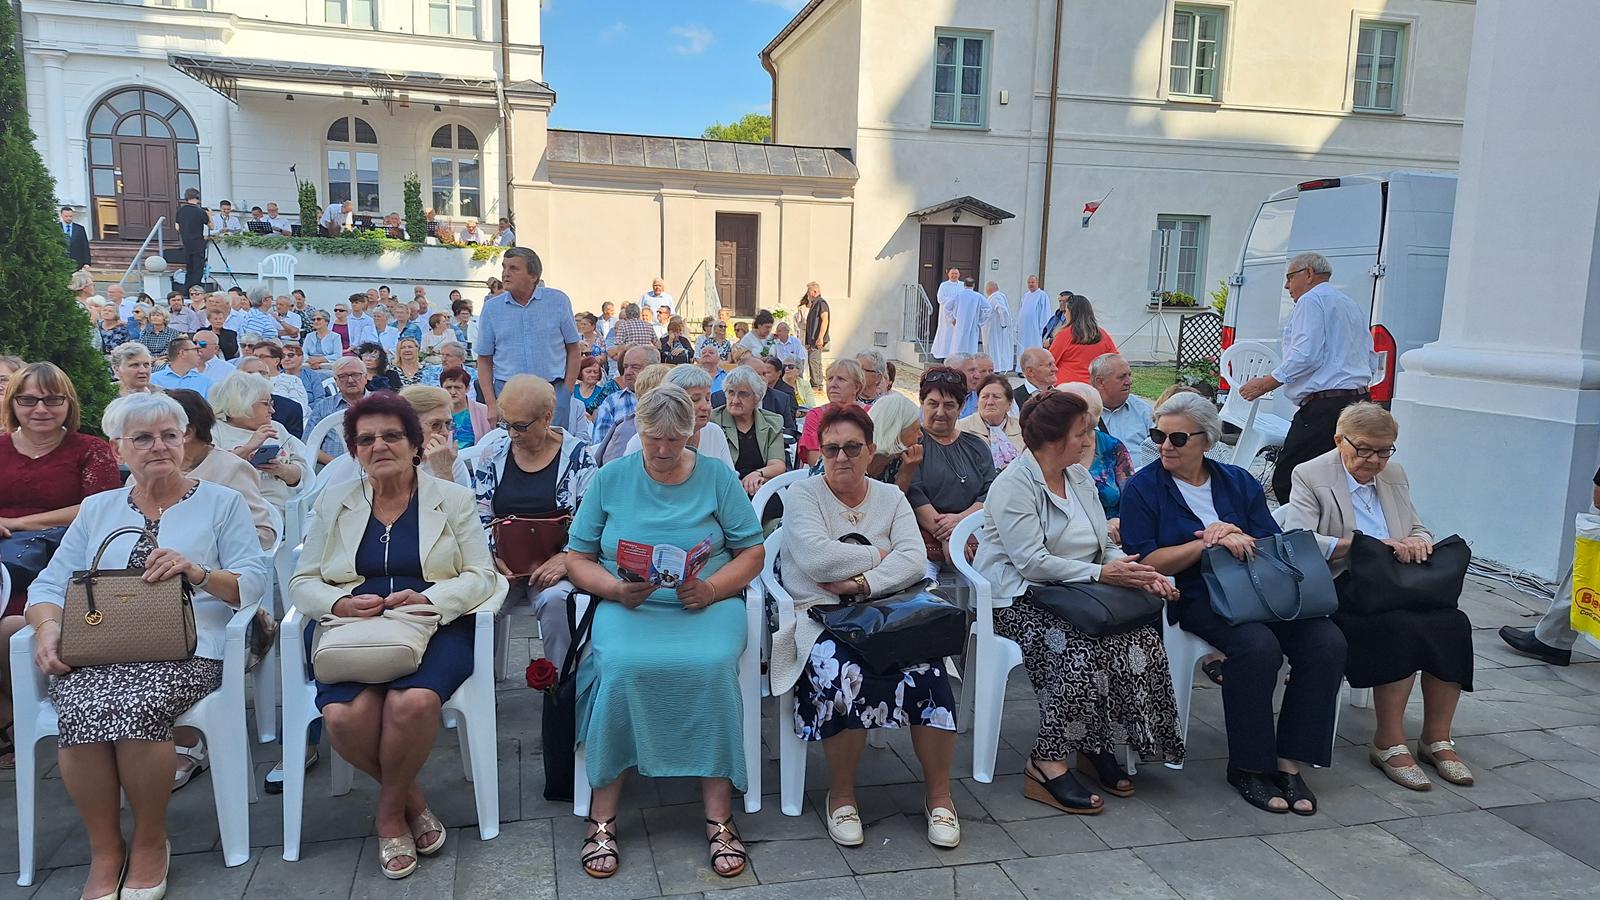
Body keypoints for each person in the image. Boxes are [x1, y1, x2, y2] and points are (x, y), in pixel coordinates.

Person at [26, 392, 269, 900]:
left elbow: (253, 581)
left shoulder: (220, 502)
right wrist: (48, 628)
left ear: (184, 440)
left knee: (136, 704)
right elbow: (48, 585)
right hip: (102, 646)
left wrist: (198, 572)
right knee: (81, 704)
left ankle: (151, 841)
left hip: (190, 648)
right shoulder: (99, 508)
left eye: (169, 435)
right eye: (143, 438)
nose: (159, 446)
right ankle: (105, 849)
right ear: (118, 449)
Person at [290, 392, 507, 880]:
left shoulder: (452, 499)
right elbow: (302, 582)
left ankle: (389, 816)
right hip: (352, 627)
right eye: (366, 439)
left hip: (434, 623)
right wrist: (340, 603)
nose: (379, 446)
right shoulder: (334, 501)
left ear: (414, 445)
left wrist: (430, 599)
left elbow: (482, 575)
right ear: (354, 451)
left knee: (412, 703)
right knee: (344, 716)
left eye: (392, 436)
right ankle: (412, 800)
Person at [562, 384, 765, 879]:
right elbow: (577, 557)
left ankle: (719, 815)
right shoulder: (612, 477)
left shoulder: (716, 476)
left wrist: (712, 588)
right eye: (653, 438)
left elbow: (753, 552)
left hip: (705, 603)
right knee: (621, 667)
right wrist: (614, 588)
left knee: (712, 667)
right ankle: (602, 813)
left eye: (674, 440)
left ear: (692, 434)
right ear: (639, 429)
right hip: (630, 605)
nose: (662, 450)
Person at [1120, 392, 1346, 816]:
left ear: (1206, 440)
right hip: (1197, 594)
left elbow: (1270, 540)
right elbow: (1146, 561)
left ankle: (1289, 761)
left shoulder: (1237, 481)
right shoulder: (1144, 488)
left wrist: (1236, 532)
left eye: (1177, 438)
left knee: (1327, 642)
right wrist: (1207, 543)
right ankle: (1249, 765)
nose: (1165, 446)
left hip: (1259, 589)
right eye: (1158, 435)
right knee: (1257, 647)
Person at [974, 388, 1185, 814]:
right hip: (1018, 598)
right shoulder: (1014, 485)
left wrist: (1138, 572)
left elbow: (1101, 545)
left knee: (1139, 638)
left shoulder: (1078, 477)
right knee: (1080, 648)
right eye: (1081, 433)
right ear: (1053, 440)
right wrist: (1102, 574)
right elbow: (1032, 563)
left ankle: (1096, 743)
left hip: (1075, 592)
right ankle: (1046, 761)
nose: (1089, 439)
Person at [772, 405, 963, 848]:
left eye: (852, 448)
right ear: (821, 452)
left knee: (930, 674)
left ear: (871, 450)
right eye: (831, 449)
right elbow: (817, 560)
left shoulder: (891, 497)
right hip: (820, 615)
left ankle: (940, 797)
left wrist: (862, 582)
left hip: (889, 613)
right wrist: (880, 554)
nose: (841, 457)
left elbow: (915, 559)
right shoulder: (803, 495)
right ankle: (841, 796)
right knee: (846, 672)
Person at [1280, 403, 1474, 790]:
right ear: (1339, 440)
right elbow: (1297, 541)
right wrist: (1364, 546)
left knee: (1453, 623)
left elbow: (1417, 525)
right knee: (1397, 626)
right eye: (1365, 449)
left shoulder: (1394, 474)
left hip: (1394, 580)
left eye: (1384, 450)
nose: (1374, 460)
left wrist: (1418, 542)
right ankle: (1388, 741)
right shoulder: (1311, 474)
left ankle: (1437, 739)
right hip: (1345, 583)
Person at [470, 375, 596, 664]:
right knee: (475, 605)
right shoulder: (495, 453)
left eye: (520, 426)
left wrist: (567, 558)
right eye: (505, 423)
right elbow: (478, 514)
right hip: (502, 566)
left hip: (555, 565)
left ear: (547, 418)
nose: (511, 433)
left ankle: (562, 683)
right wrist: (491, 556)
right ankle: (481, 686)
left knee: (557, 601)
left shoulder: (578, 457)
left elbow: (590, 520)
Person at [1236, 252, 1378, 504]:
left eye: (1290, 277)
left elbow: (1306, 355)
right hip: (1357, 401)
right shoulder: (1348, 303)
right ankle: (1330, 523)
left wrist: (1266, 383)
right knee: (1337, 478)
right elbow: (1369, 354)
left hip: (1326, 405)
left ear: (1309, 274)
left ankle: (1304, 526)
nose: (1286, 285)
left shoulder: (1311, 300)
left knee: (1290, 477)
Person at [0, 362, 120, 614]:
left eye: (53, 400)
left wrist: (17, 523)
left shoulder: (91, 450)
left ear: (69, 403)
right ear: (12, 403)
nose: (41, 409)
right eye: (28, 400)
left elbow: (100, 509)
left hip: (63, 560)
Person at [155, 389, 279, 550]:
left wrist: (203, 545)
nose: (154, 444)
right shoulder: (149, 471)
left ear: (187, 433)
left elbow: (264, 535)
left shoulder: (232, 469)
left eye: (163, 433)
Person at [477, 248, 581, 428]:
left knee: (552, 443)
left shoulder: (558, 301)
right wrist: (491, 404)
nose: (505, 273)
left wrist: (566, 391)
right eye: (504, 267)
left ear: (533, 276)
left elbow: (573, 349)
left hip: (552, 393)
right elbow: (484, 359)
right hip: (508, 394)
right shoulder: (492, 308)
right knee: (511, 444)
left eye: (513, 268)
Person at [909, 366, 996, 569]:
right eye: (933, 404)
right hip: (923, 540)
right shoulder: (913, 443)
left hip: (975, 531)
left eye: (949, 405)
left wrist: (961, 523)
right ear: (921, 402)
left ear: (961, 406)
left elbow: (990, 492)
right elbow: (914, 494)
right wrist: (949, 536)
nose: (940, 413)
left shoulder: (976, 445)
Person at [209, 371, 311, 515]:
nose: (272, 410)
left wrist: (281, 469)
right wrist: (248, 448)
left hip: (274, 508)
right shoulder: (215, 430)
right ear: (242, 402)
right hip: (228, 506)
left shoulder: (276, 428)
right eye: (266, 404)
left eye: (272, 403)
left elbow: (302, 476)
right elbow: (209, 473)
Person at [1058, 383, 1135, 539]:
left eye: (1089, 430)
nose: (1086, 441)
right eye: (1079, 433)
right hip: (1067, 538)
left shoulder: (1113, 447)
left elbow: (1132, 498)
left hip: (1114, 537)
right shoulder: (1048, 451)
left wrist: (1119, 520)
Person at [622, 365, 736, 471]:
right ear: (672, 402)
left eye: (707, 399)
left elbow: (730, 479)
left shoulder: (715, 433)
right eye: (694, 399)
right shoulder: (642, 442)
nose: (705, 406)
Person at [711, 366, 786, 496]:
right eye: (731, 392)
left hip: (760, 486)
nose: (735, 400)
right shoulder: (713, 421)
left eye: (743, 394)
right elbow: (711, 468)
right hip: (723, 489)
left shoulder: (772, 422)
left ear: (757, 398)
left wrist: (757, 474)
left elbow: (777, 464)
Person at [590, 344, 658, 452]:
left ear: (652, 369)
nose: (628, 372)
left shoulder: (667, 400)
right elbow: (600, 448)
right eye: (625, 367)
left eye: (635, 367)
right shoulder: (611, 402)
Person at [797, 359, 865, 466]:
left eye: (841, 379)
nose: (833, 384)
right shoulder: (815, 415)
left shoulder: (872, 413)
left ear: (856, 387)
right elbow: (814, 461)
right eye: (830, 379)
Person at [308, 357, 370, 463]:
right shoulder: (323, 406)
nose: (350, 380)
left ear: (365, 378)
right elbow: (309, 443)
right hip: (329, 466)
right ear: (336, 381)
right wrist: (337, 464)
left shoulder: (382, 404)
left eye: (356, 375)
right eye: (343, 376)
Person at [958, 373, 1023, 473]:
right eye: (985, 397)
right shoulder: (961, 428)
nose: (990, 402)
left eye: (996, 397)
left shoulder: (1023, 428)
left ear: (1009, 404)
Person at [1048, 294, 1118, 385]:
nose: (1064, 315)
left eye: (1066, 311)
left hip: (1066, 387)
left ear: (1071, 313)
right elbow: (1115, 361)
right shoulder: (1102, 334)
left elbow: (1050, 362)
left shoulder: (1064, 335)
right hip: (1094, 387)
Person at [1091, 354, 1154, 453]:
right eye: (1121, 377)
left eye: (1129, 375)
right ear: (1100, 382)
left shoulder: (1143, 410)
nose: (1129, 382)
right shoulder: (1082, 413)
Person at [932, 276, 990, 362]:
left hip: (959, 324)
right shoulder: (978, 296)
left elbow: (947, 307)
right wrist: (980, 321)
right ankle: (969, 363)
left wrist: (952, 319)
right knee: (971, 347)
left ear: (964, 285)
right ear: (973, 285)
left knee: (958, 346)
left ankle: (957, 363)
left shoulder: (958, 295)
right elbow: (988, 309)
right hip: (972, 325)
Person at [176, 187, 209, 290]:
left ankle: (187, 291)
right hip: (198, 243)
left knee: (189, 269)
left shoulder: (180, 210)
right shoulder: (200, 211)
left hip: (186, 243)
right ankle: (196, 290)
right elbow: (211, 226)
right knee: (198, 269)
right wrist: (210, 215)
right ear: (197, 197)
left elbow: (177, 227)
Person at [754, 355, 799, 431]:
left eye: (766, 373)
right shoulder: (754, 391)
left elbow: (789, 423)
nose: (761, 377)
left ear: (779, 373)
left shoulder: (785, 394)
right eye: (758, 374)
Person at [801, 282, 831, 389]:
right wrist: (808, 341)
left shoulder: (821, 303)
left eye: (808, 292)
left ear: (814, 291)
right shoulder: (815, 304)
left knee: (814, 361)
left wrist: (820, 338)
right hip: (812, 339)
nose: (807, 294)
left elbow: (825, 320)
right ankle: (816, 384)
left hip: (817, 339)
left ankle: (817, 385)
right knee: (813, 360)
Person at [983, 282, 1017, 373]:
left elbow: (1002, 310)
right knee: (993, 349)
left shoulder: (996, 297)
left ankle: (996, 369)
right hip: (993, 330)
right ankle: (994, 368)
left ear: (990, 288)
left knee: (995, 349)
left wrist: (1003, 323)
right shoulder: (994, 297)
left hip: (995, 330)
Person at [1017, 275, 1051, 352]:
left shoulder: (1042, 295)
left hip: (1035, 329)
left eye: (1032, 282)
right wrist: (1018, 325)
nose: (1030, 284)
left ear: (1037, 283)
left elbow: (1045, 312)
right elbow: (1021, 311)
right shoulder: (1025, 296)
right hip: (1024, 329)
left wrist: (1043, 329)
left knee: (1034, 346)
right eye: (1029, 282)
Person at [60, 206, 91, 270]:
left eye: (70, 216)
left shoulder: (80, 229)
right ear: (61, 216)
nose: (69, 218)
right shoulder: (56, 227)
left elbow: (85, 246)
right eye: (66, 216)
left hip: (77, 262)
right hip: (61, 261)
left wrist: (87, 262)